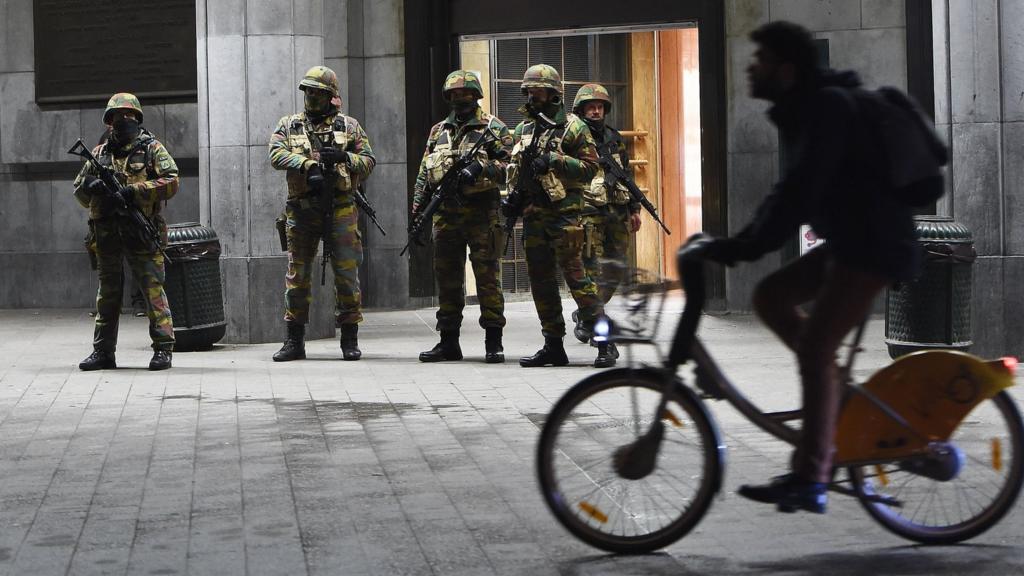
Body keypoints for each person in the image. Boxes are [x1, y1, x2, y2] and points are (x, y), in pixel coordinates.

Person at [695, 21, 920, 513]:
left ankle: (811, 475)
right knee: (770, 296)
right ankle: (833, 392)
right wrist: (742, 243)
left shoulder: (828, 109)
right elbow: (789, 191)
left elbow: (800, 192)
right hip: (851, 242)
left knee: (816, 346)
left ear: (788, 69)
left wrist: (740, 247)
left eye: (761, 60)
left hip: (873, 246)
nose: (751, 68)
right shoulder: (803, 110)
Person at [506, 64, 612, 368]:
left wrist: (555, 159)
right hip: (534, 217)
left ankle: (605, 342)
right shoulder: (523, 129)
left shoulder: (572, 126)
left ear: (553, 93)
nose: (532, 96)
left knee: (579, 281)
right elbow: (515, 171)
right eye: (528, 91)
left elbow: (591, 168)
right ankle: (553, 344)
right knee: (541, 282)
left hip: (565, 217)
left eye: (538, 91)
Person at [268, 65, 376, 361]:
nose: (312, 97)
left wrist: (344, 157)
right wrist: (308, 165)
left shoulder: (349, 126)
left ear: (331, 96)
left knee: (346, 273)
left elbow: (368, 161)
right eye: (309, 91)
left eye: (319, 92)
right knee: (297, 275)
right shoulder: (290, 125)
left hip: (341, 208)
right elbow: (275, 154)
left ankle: (349, 339)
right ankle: (294, 340)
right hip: (302, 210)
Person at [412, 70, 514, 363]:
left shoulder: (493, 128)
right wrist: (417, 212)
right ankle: (448, 342)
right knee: (447, 280)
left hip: (483, 214)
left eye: (466, 94)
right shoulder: (438, 131)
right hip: (445, 216)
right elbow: (424, 174)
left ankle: (494, 342)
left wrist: (482, 168)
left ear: (476, 95)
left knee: (487, 279)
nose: (460, 99)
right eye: (455, 95)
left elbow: (511, 168)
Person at [73, 93, 179, 371]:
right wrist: (92, 186)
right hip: (107, 235)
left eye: (128, 116)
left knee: (153, 292)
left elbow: (172, 181)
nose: (123, 121)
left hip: (140, 232)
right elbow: (80, 192)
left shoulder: (152, 148)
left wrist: (136, 190)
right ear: (109, 122)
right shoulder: (98, 154)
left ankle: (163, 349)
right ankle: (103, 351)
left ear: (137, 119)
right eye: (117, 117)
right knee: (107, 294)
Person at [570, 83, 643, 366]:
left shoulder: (613, 137)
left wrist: (634, 208)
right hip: (587, 211)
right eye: (591, 106)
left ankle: (587, 313)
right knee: (590, 268)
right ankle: (593, 321)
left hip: (616, 211)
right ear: (581, 109)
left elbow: (625, 173)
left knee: (615, 267)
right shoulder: (574, 135)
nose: (596, 110)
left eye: (600, 106)